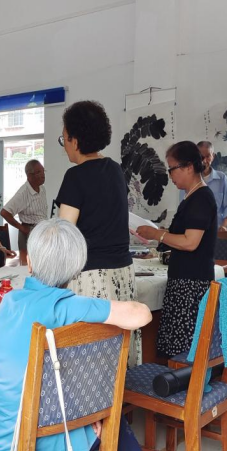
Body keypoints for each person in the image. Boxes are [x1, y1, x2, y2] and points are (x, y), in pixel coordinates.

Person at [0, 218, 191, 451]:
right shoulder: (71, 306)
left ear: (29, 263)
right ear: (77, 269)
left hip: (5, 431)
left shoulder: (10, 302)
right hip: (35, 442)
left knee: (98, 416)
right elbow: (141, 315)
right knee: (105, 420)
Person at [55, 100, 139, 364]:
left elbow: (65, 237)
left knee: (93, 359)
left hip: (91, 277)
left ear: (76, 141)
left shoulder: (75, 176)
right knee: (119, 350)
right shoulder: (115, 170)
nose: (65, 145)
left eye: (65, 138)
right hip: (123, 273)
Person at [136, 141, 218, 357]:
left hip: (191, 285)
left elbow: (190, 242)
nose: (170, 175)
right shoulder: (191, 196)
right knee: (175, 347)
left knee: (184, 351)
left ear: (188, 167)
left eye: (172, 168)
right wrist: (158, 234)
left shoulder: (201, 198)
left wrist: (157, 234)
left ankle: (185, 379)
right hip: (183, 280)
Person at [0, 159, 48, 265]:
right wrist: (21, 228)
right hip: (29, 233)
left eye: (43, 171)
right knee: (28, 266)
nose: (43, 175)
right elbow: (4, 212)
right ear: (29, 176)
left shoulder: (42, 188)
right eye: (39, 172)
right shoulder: (23, 193)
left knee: (42, 264)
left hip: (42, 232)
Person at [194, 141, 227, 231]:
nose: (204, 161)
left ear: (213, 156)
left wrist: (224, 226)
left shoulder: (222, 178)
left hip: (217, 231)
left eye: (208, 156)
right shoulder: (190, 179)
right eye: (201, 157)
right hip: (194, 231)